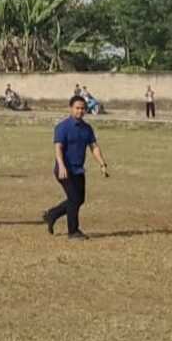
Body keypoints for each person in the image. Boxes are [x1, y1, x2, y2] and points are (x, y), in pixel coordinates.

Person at [43, 96, 111, 240]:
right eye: (77, 108)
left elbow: (94, 147)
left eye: (82, 108)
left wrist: (102, 164)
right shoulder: (63, 127)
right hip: (64, 169)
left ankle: (52, 214)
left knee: (79, 200)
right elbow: (58, 148)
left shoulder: (87, 129)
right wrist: (61, 165)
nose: (80, 111)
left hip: (78, 170)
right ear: (71, 108)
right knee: (74, 199)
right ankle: (73, 232)